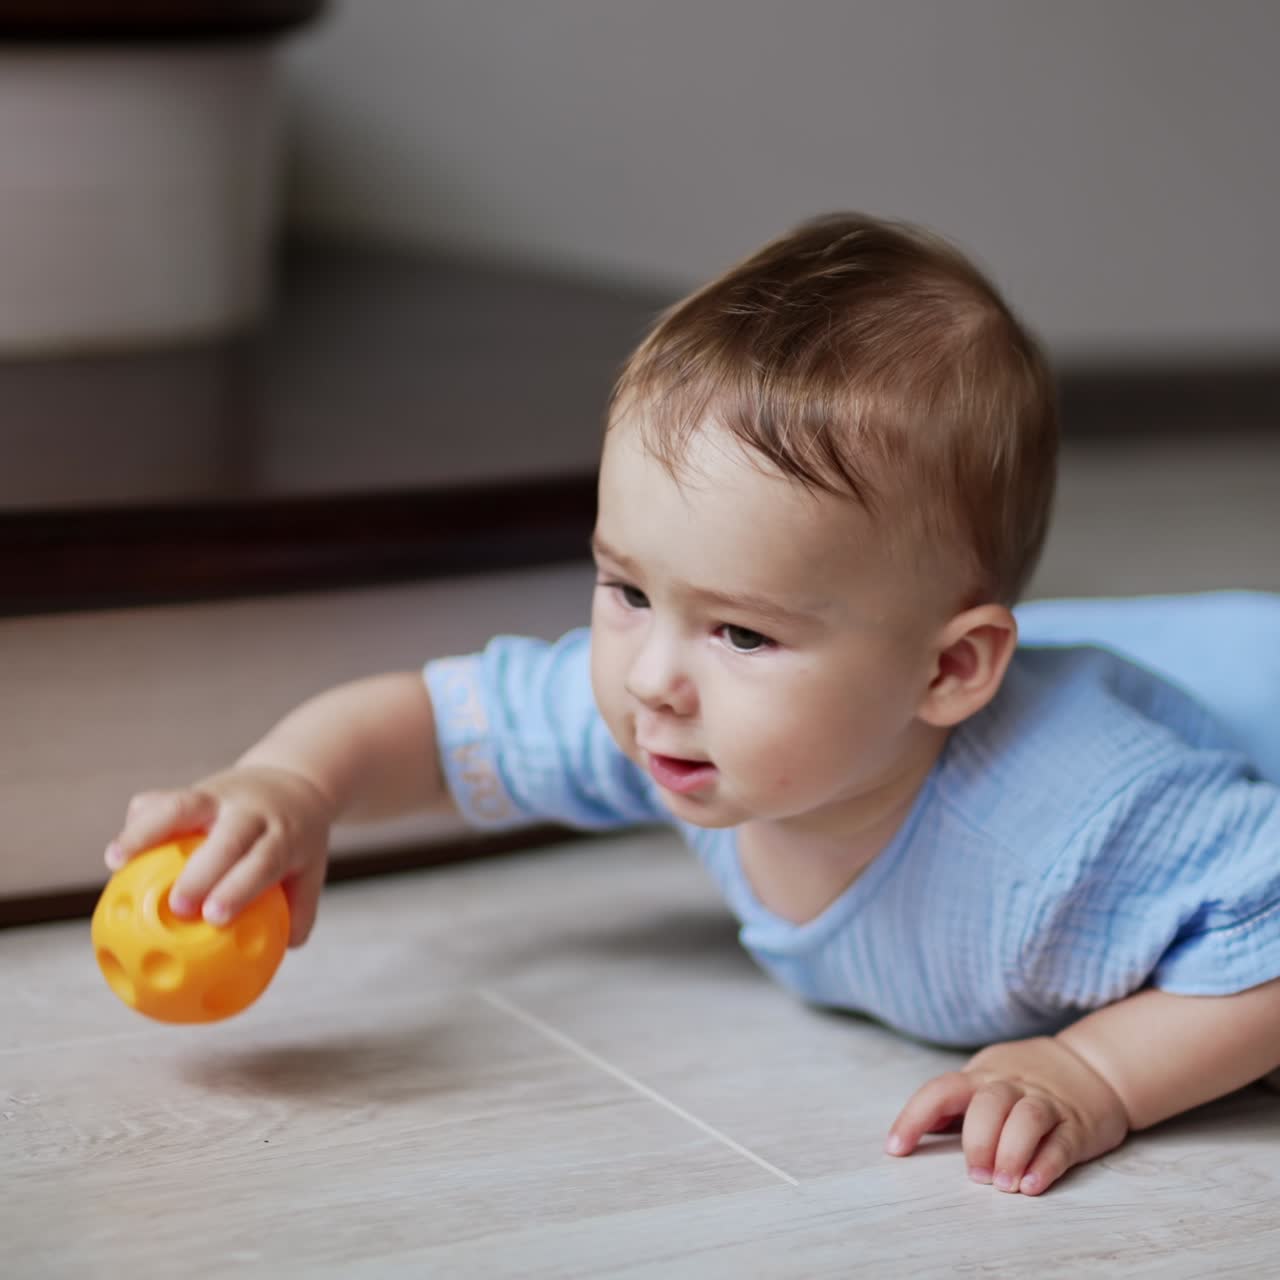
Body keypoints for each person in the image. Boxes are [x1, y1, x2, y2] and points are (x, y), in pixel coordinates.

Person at [105, 213, 1280, 1197]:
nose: (647, 675)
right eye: (625, 587)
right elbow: (440, 719)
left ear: (946, 673)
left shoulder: (1066, 829)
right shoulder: (677, 712)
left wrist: (1098, 1076)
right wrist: (291, 785)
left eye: (741, 631)